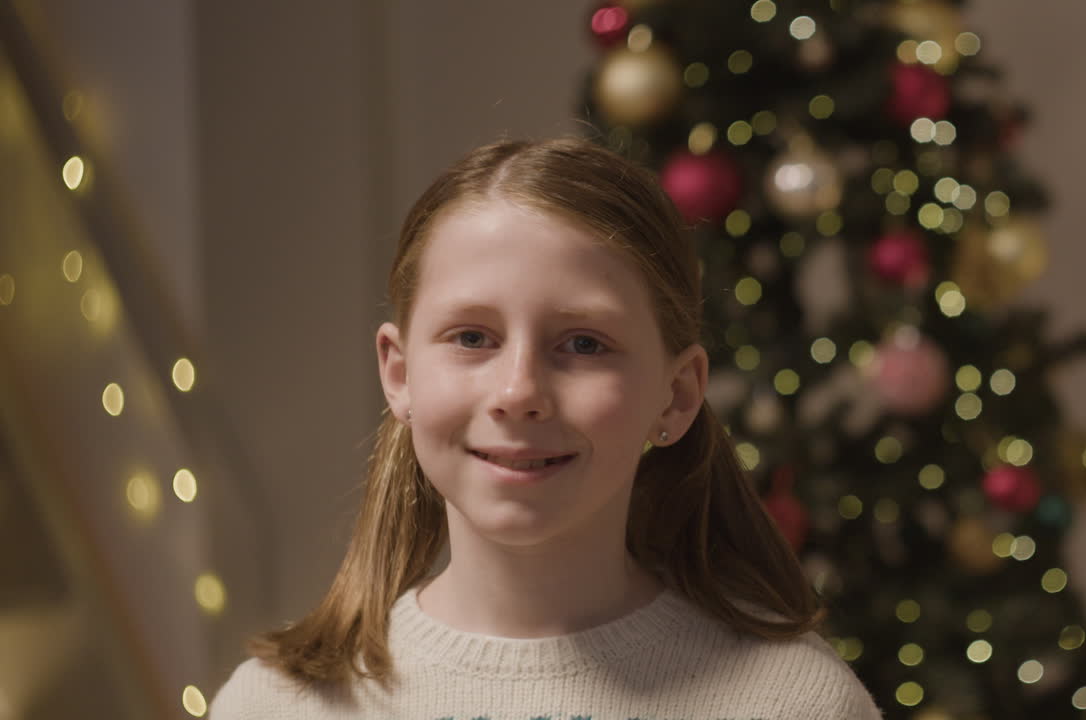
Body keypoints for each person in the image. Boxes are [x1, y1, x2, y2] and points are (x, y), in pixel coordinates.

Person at [210, 137, 882, 719]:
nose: (519, 392)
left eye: (584, 344)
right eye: (472, 336)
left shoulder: (796, 704)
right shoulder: (274, 708)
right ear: (400, 372)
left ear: (676, 396)